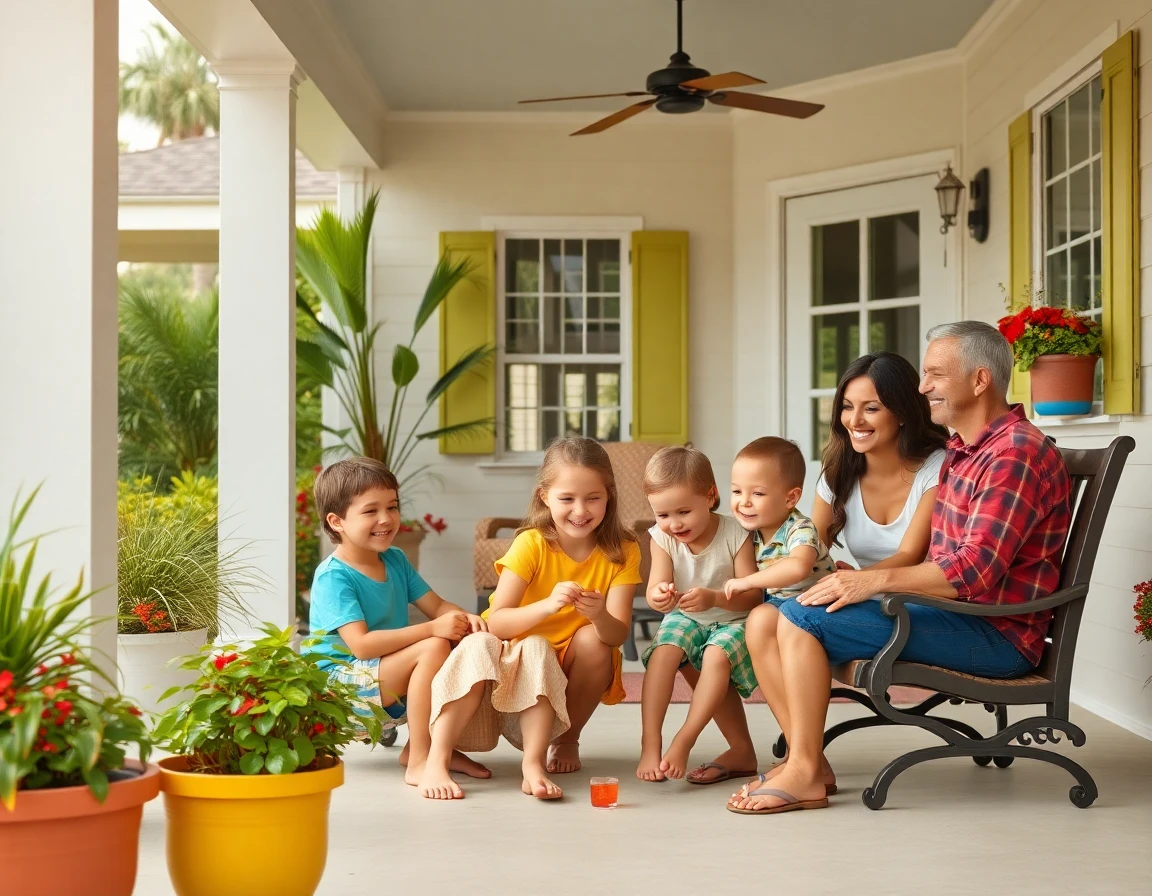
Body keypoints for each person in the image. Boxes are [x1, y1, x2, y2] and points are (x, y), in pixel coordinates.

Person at [728, 321, 1072, 815]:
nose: (923, 385)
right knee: (787, 611)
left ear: (979, 381)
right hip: (953, 614)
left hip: (996, 633)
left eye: (934, 374)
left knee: (799, 616)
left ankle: (804, 768)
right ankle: (807, 762)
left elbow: (972, 569)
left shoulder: (1012, 454)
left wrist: (866, 580)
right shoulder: (968, 451)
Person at [428, 437, 641, 800]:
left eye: (593, 498)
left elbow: (617, 633)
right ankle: (437, 758)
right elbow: (497, 622)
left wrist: (598, 614)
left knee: (596, 642)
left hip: (566, 661)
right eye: (567, 499)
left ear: (610, 495)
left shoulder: (623, 549)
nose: (580, 510)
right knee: (507, 645)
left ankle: (562, 741)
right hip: (511, 654)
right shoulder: (532, 543)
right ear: (545, 497)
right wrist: (546, 606)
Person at [306, 457, 491, 801]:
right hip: (339, 690)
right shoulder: (334, 575)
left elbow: (437, 606)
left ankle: (438, 750)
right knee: (435, 645)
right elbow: (360, 646)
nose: (386, 519)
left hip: (384, 676)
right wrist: (435, 629)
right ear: (337, 521)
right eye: (370, 511)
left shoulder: (395, 560)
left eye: (392, 507)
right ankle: (420, 759)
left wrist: (467, 620)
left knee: (470, 647)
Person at [636, 446, 760, 783]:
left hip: (733, 619)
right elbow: (654, 589)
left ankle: (684, 739)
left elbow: (753, 596)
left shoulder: (736, 533)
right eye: (662, 515)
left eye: (683, 511)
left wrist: (716, 597)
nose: (673, 524)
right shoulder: (661, 538)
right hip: (688, 616)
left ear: (711, 496)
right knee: (663, 653)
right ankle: (651, 742)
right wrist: (659, 596)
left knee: (716, 658)